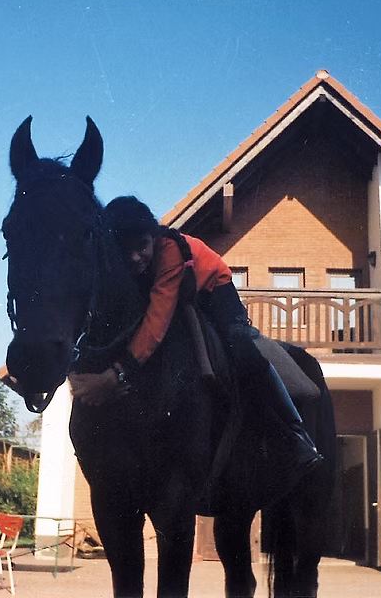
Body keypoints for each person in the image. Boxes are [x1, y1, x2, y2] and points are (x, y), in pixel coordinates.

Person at [69, 195, 323, 479]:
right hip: (179, 293)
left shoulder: (169, 253)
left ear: (153, 238)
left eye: (142, 246)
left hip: (213, 288)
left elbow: (157, 321)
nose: (135, 258)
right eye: (125, 250)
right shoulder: (123, 265)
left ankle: (295, 434)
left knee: (241, 347)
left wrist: (118, 372)